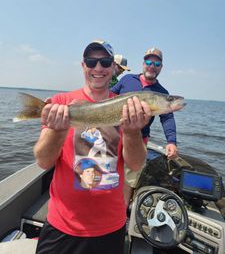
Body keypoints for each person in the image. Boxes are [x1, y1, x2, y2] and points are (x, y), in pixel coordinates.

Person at [33, 40, 152, 254]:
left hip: (110, 228)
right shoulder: (62, 102)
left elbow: (135, 164)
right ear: (83, 65)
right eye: (91, 61)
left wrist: (133, 131)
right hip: (62, 226)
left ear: (113, 68)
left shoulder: (128, 107)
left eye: (105, 62)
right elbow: (43, 161)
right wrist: (58, 129)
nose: (98, 68)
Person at [110, 47, 178, 205]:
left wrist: (171, 141)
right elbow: (109, 96)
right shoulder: (127, 79)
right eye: (148, 62)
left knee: (129, 178)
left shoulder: (162, 93)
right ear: (143, 64)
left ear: (161, 67)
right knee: (106, 171)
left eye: (156, 63)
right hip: (114, 134)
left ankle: (122, 212)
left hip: (139, 139)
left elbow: (167, 118)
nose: (152, 66)